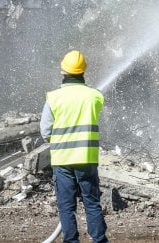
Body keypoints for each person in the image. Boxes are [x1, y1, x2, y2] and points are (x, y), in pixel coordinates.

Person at [41, 50, 109, 243]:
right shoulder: (94, 96)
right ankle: (99, 240)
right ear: (83, 72)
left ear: (63, 72)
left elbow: (45, 131)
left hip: (62, 160)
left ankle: (71, 241)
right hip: (87, 158)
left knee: (66, 207)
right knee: (92, 203)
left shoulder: (53, 98)